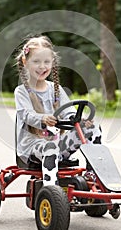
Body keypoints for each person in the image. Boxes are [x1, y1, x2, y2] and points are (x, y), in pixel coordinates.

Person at [14, 35, 102, 186]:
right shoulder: (21, 91)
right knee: (50, 147)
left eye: (46, 62)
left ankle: (93, 174)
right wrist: (43, 119)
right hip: (31, 149)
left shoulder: (56, 89)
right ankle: (51, 189)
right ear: (25, 62)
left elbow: (69, 113)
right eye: (36, 62)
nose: (42, 67)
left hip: (56, 145)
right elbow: (26, 115)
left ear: (52, 63)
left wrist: (80, 120)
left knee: (93, 129)